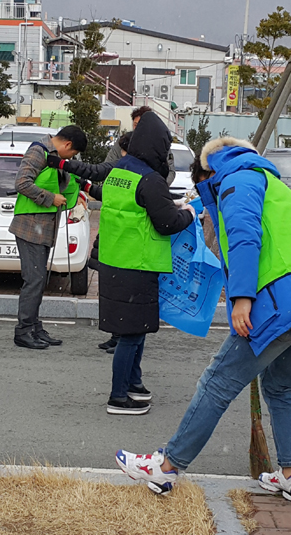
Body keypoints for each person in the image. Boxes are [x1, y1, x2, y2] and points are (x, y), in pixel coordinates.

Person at [115, 136, 291, 500]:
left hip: (278, 303)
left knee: (217, 383)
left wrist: (242, 298)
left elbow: (245, 237)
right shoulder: (269, 182)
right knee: (280, 388)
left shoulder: (236, 180)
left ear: (209, 170)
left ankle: (167, 468)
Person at [88, 114, 194, 415]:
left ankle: (133, 384)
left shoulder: (119, 171)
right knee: (132, 334)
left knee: (134, 330)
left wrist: (170, 205)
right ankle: (118, 397)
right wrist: (188, 213)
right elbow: (167, 223)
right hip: (138, 263)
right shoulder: (150, 179)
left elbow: (141, 205)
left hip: (115, 260)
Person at [47, 106, 174, 354]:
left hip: (131, 243)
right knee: (122, 304)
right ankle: (119, 340)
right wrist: (73, 173)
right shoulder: (124, 161)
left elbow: (160, 196)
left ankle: (120, 340)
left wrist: (66, 166)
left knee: (127, 306)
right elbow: (100, 174)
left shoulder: (152, 169)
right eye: (135, 124)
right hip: (122, 242)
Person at [10, 125, 89, 349]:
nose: (70, 158)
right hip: (30, 227)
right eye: (72, 154)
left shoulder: (52, 155)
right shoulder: (38, 151)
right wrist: (50, 198)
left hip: (42, 228)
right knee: (34, 280)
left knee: (38, 280)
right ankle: (24, 330)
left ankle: (34, 327)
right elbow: (22, 183)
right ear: (67, 144)